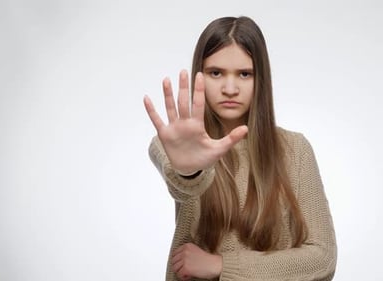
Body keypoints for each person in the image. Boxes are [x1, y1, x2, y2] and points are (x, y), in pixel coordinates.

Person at [144, 16, 337, 281]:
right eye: (216, 73)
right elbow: (182, 184)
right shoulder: (173, 145)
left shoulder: (295, 149)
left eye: (244, 74)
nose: (230, 88)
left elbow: (322, 257)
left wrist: (222, 265)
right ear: (200, 75)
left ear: (261, 79)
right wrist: (189, 172)